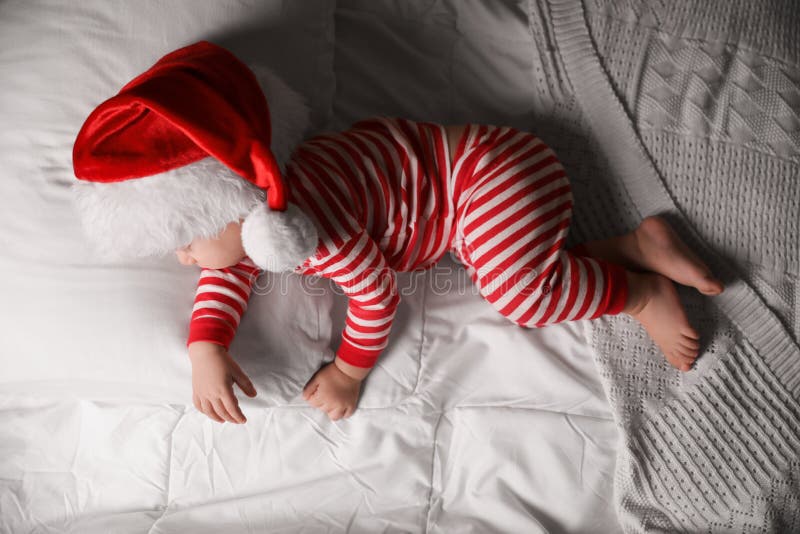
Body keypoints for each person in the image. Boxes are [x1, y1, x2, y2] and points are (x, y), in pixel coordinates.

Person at [72, 41, 724, 426]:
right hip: (481, 187)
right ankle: (637, 247)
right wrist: (204, 347)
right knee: (515, 265)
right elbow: (230, 265)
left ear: (239, 205)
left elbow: (378, 299)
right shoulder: (268, 210)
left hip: (488, 181)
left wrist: (350, 374)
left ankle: (636, 292)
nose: (185, 258)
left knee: (519, 298)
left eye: (185, 237)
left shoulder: (316, 233)